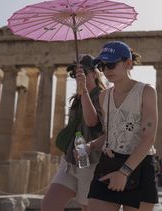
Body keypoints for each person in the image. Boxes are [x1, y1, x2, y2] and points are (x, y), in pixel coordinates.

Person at [86, 41, 159, 210]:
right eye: (102, 66)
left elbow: (148, 138)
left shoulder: (146, 92)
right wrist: (91, 146)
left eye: (111, 64)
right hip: (109, 163)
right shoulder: (104, 97)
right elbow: (111, 133)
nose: (105, 71)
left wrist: (124, 172)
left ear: (128, 63)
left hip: (139, 165)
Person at [41, 55, 105, 211]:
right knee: (49, 206)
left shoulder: (104, 96)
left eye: (82, 72)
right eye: (74, 74)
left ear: (94, 74)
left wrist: (84, 91)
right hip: (70, 160)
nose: (77, 77)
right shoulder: (76, 99)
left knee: (87, 207)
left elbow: (92, 122)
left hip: (92, 163)